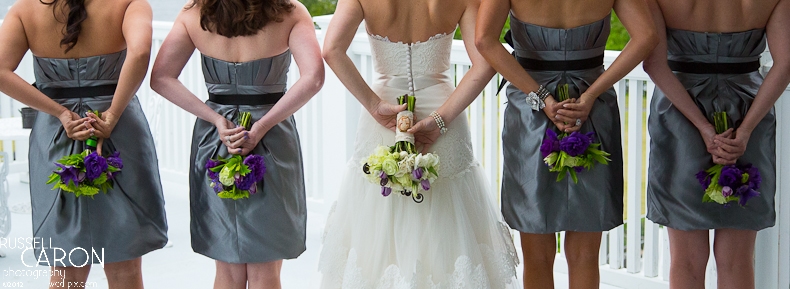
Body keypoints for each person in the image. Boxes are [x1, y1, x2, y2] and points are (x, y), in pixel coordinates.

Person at [317, 0, 520, 287]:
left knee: (379, 217)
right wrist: (440, 120)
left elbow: (331, 50)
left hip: (386, 118)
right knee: (448, 223)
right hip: (444, 117)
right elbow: (486, 61)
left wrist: (375, 106)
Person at [475, 0, 657, 288]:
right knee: (586, 254)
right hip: (590, 109)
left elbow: (484, 40)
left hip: (531, 111)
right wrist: (592, 94)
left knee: (536, 255)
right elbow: (646, 35)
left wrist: (542, 97)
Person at [149, 0, 323, 288]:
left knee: (227, 270)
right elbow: (314, 78)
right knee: (266, 269)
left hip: (218, 138)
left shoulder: (195, 13)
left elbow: (161, 77)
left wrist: (215, 119)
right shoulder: (290, 12)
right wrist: (263, 125)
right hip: (272, 137)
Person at [0, 0, 167, 288]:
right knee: (125, 266)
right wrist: (112, 114)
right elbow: (139, 53)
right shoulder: (129, 4)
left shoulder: (24, 10)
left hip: (57, 134)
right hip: (118, 130)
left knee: (66, 270)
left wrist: (61, 112)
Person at [642, 0, 789, 288]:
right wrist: (745, 131)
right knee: (737, 258)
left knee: (685, 259)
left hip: (680, 115)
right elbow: (785, 63)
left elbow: (654, 64)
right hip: (748, 109)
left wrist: (703, 127)